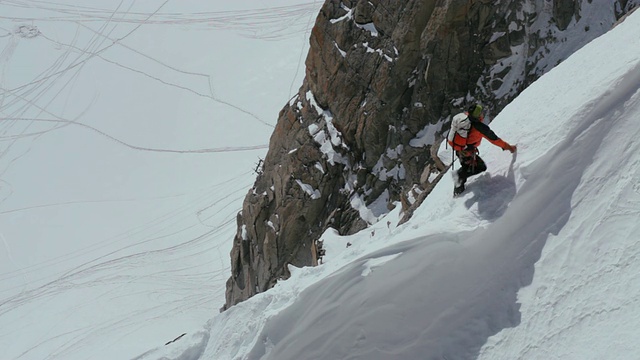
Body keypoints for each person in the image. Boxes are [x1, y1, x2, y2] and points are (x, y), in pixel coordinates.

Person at [449, 104, 516, 196]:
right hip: (467, 153)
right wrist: (508, 147)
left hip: (461, 150)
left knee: (468, 167)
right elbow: (494, 139)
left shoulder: (465, 119)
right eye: (480, 113)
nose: (482, 114)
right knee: (479, 167)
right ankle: (458, 181)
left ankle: (458, 185)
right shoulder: (479, 127)